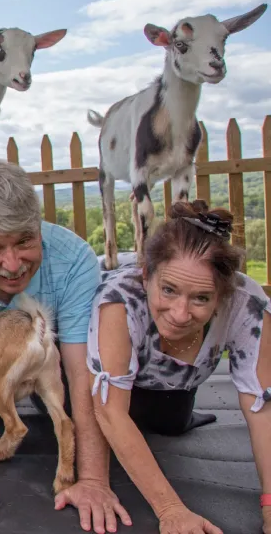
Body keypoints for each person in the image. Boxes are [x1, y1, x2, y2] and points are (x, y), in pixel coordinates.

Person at [0, 158, 131, 532]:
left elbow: (83, 372)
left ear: (38, 227)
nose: (13, 264)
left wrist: (94, 481)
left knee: (164, 418)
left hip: (48, 363)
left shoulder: (74, 259)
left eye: (24, 241)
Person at [87, 200, 271, 534]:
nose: (180, 313)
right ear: (146, 276)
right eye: (168, 290)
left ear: (224, 294)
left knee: (169, 422)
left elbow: (262, 406)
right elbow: (111, 412)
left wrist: (270, 502)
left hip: (168, 384)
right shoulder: (119, 298)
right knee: (90, 414)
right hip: (94, 377)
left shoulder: (248, 304)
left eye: (201, 298)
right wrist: (171, 509)